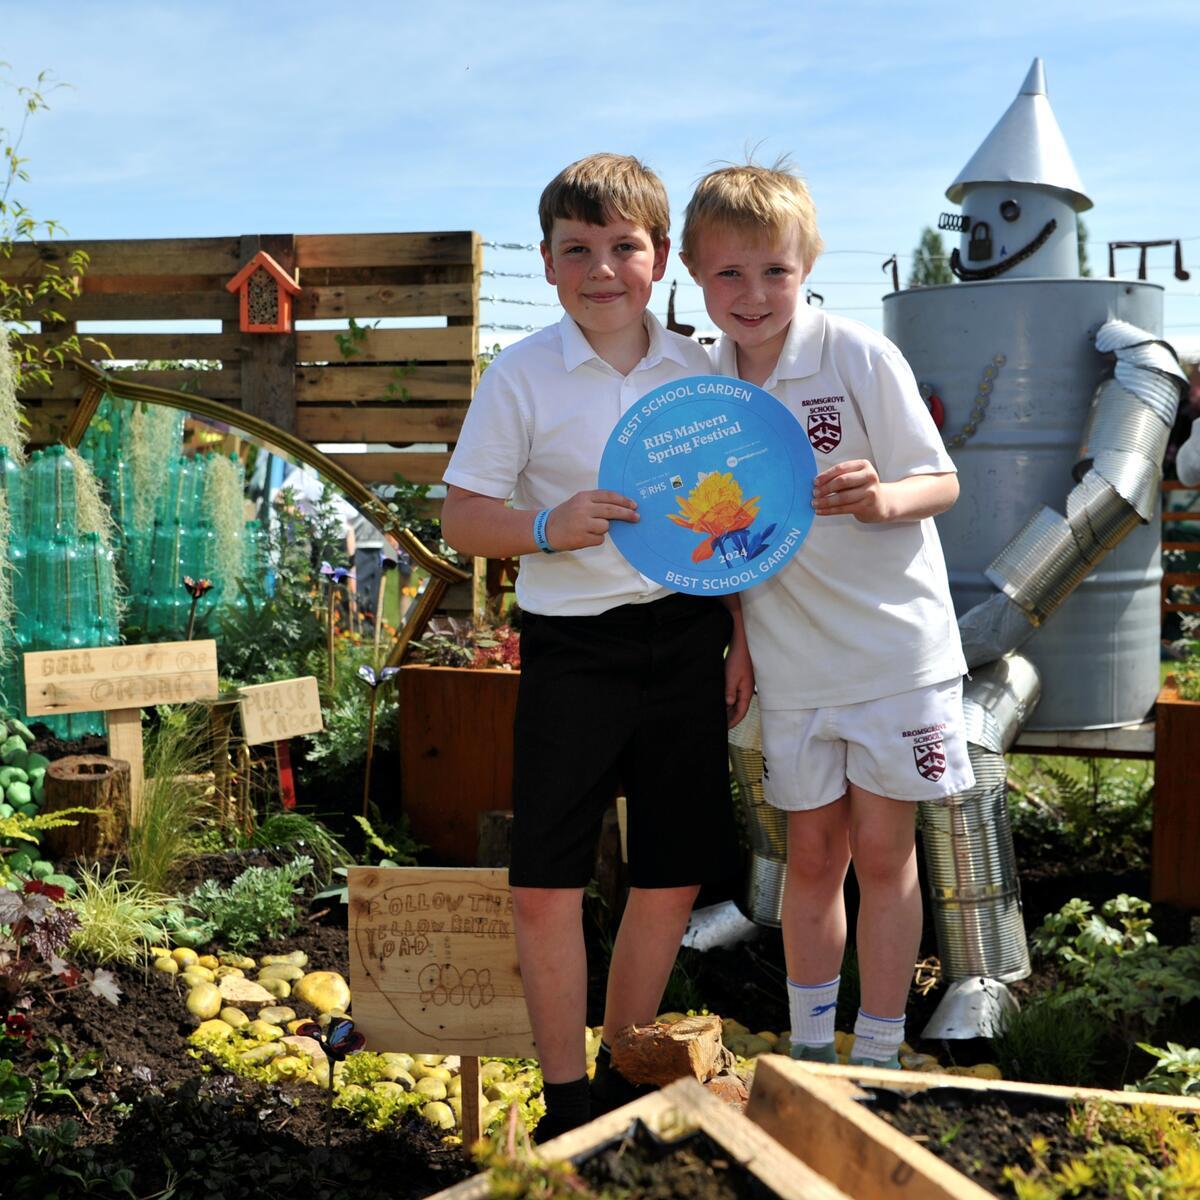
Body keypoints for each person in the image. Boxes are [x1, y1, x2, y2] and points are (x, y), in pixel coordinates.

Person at [441, 153, 753, 1138]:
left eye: (625, 247)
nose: (603, 268)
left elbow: (736, 521)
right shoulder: (520, 375)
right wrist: (547, 524)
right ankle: (561, 1105)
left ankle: (618, 1084)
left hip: (687, 638)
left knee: (667, 879)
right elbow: (461, 517)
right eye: (579, 250)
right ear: (546, 262)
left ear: (661, 257)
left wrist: (741, 636)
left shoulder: (703, 371)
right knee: (546, 884)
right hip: (573, 648)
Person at [681, 161, 974, 1069]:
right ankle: (812, 1054)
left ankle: (878, 1053)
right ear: (693, 272)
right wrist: (736, 639)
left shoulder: (856, 355)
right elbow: (718, 531)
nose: (753, 293)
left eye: (774, 269)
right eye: (729, 272)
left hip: (894, 653)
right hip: (791, 661)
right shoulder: (702, 388)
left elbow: (943, 482)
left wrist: (884, 498)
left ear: (807, 263)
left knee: (886, 853)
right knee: (811, 857)